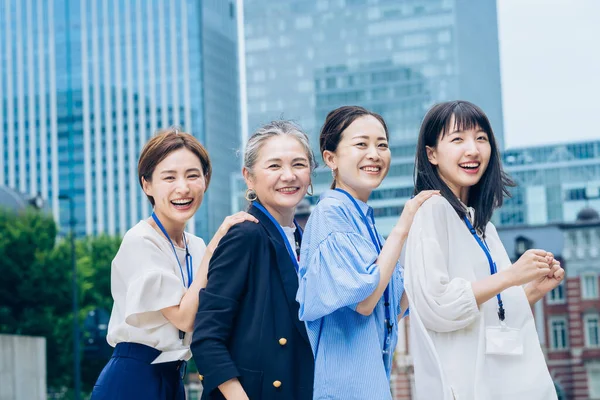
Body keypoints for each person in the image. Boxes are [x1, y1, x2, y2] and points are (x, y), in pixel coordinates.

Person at [404, 100, 564, 400]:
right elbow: (436, 307)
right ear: (431, 154)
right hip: (465, 386)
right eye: (457, 139)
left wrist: (529, 291)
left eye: (481, 138)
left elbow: (490, 312)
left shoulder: (482, 225)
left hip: (503, 384)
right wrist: (511, 276)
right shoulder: (431, 210)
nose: (473, 149)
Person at [91, 128, 257, 400]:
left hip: (173, 377)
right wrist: (216, 245)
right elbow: (185, 318)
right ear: (147, 185)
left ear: (205, 180)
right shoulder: (140, 240)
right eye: (169, 177)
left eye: (193, 175)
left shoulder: (195, 245)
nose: (183, 187)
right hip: (132, 379)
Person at [296, 106, 438, 400]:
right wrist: (405, 223)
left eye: (382, 145)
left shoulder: (363, 219)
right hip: (344, 390)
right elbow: (365, 301)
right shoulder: (330, 215)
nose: (374, 154)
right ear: (330, 158)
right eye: (361, 144)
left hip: (371, 385)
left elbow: (392, 309)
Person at [191, 121, 317, 400]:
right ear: (248, 177)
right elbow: (207, 337)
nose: (288, 175)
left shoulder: (307, 240)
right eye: (274, 166)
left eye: (298, 164)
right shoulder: (246, 234)